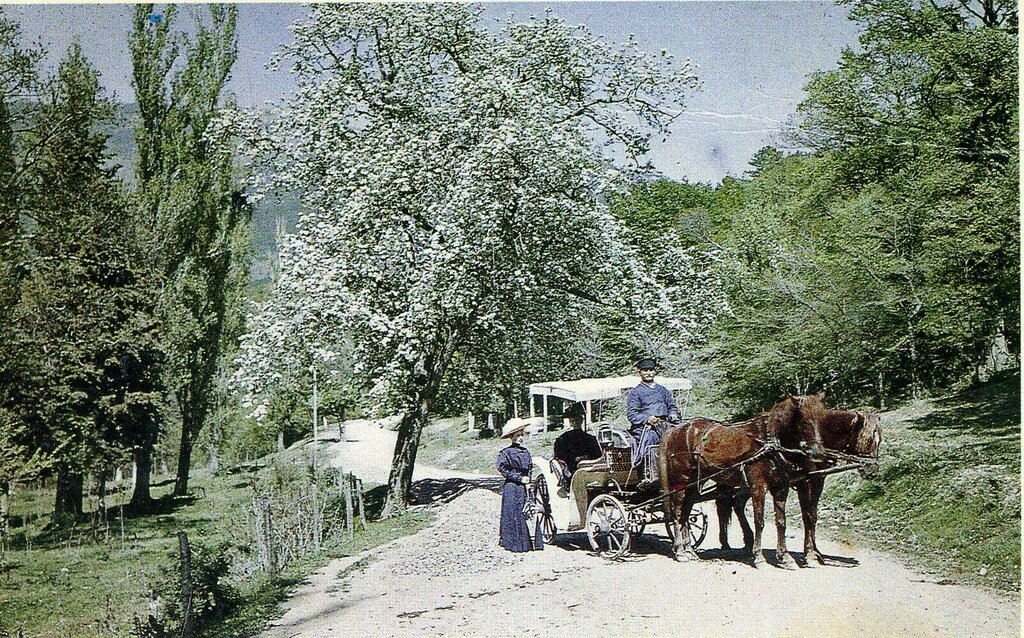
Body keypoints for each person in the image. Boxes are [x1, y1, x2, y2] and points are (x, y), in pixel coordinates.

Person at [496, 418, 543, 552]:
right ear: (511, 437)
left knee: (527, 511)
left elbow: (529, 469)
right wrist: (518, 478)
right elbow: (503, 469)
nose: (521, 437)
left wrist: (528, 480)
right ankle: (513, 544)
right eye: (518, 435)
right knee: (513, 513)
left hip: (524, 486)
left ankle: (530, 543)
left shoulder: (525, 452)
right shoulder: (506, 453)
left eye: (522, 434)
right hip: (512, 486)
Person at [626, 357, 680, 470]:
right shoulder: (635, 392)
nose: (648, 373)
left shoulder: (663, 390)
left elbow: (672, 407)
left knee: (681, 436)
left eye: (651, 370)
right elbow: (632, 415)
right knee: (652, 438)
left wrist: (673, 414)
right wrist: (647, 419)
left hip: (665, 424)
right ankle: (651, 471)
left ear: (655, 371)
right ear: (640, 372)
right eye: (645, 370)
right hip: (646, 427)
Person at [552, 403, 602, 495]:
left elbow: (597, 453)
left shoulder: (590, 438)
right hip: (572, 467)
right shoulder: (563, 439)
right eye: (572, 419)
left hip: (591, 464)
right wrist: (575, 459)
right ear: (570, 421)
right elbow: (560, 455)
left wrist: (587, 457)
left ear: (581, 420)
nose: (575, 421)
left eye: (577, 418)